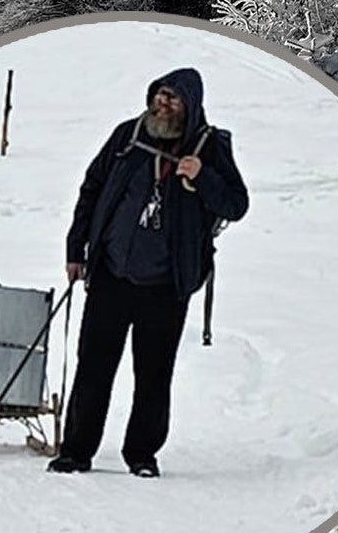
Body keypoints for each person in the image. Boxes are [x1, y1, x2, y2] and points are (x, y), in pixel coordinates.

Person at [48, 68, 248, 477]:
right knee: (93, 367)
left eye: (173, 99)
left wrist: (202, 175)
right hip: (110, 275)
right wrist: (76, 249)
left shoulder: (209, 147)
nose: (163, 104)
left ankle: (141, 455)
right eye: (159, 95)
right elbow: (91, 189)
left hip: (166, 285)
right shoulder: (128, 136)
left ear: (190, 106)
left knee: (154, 375)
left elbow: (236, 205)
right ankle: (75, 452)